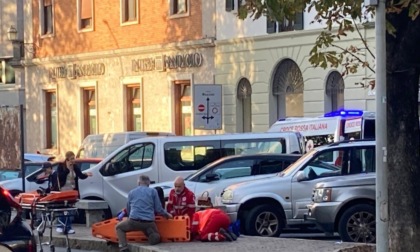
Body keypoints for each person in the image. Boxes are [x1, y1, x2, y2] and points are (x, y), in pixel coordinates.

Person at [115, 175, 172, 252]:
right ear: (148, 183)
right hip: (148, 222)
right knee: (155, 235)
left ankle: (123, 248)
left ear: (138, 182)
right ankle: (152, 237)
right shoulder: (153, 192)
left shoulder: (132, 192)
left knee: (119, 227)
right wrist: (167, 215)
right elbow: (158, 208)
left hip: (133, 221)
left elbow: (128, 208)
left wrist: (129, 217)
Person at [52, 151, 92, 234]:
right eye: (72, 159)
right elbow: (60, 176)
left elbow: (80, 175)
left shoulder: (75, 167)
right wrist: (67, 169)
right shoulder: (61, 166)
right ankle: (60, 226)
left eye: (74, 158)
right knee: (63, 208)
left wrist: (87, 175)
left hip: (71, 190)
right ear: (67, 159)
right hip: (63, 190)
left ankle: (68, 227)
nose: (73, 160)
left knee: (69, 209)